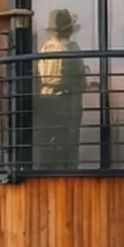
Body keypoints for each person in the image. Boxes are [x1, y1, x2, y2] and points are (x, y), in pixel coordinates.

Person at [34, 9, 89, 171]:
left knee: (48, 147)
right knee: (68, 148)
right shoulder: (71, 48)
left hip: (45, 102)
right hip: (66, 103)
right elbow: (80, 79)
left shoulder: (44, 48)